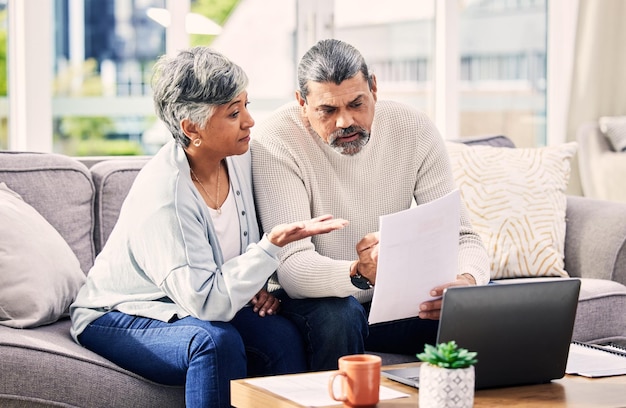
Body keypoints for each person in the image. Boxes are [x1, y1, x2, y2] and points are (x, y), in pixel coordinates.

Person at [69, 46, 348, 408]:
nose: (249, 120)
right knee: (213, 342)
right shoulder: (165, 193)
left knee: (281, 337)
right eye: (234, 113)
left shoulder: (240, 160)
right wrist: (270, 247)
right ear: (191, 128)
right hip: (121, 313)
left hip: (191, 301)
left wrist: (254, 287)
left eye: (246, 105)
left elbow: (225, 272)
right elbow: (207, 301)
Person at [250, 39, 490, 371]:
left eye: (356, 104)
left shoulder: (413, 128)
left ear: (374, 88)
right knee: (341, 316)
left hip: (392, 299)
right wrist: (359, 272)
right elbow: (293, 268)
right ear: (301, 103)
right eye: (328, 110)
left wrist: (466, 282)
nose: (345, 122)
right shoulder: (275, 140)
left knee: (479, 308)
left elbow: (463, 237)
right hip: (315, 300)